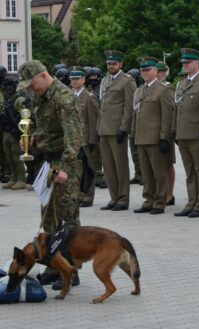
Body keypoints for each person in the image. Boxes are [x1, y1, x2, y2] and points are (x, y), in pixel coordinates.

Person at [18, 60, 83, 288]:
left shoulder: (63, 98)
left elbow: (74, 138)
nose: (30, 89)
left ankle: (71, 269)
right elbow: (45, 126)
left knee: (67, 216)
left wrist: (64, 169)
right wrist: (33, 136)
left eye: (32, 84)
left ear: (44, 75)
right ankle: (56, 266)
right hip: (47, 162)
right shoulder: (41, 97)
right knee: (49, 216)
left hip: (64, 163)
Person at [173, 48, 199, 218]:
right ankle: (192, 202)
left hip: (198, 134)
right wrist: (176, 131)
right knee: (190, 171)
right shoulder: (183, 83)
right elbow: (179, 109)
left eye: (188, 62)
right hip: (184, 134)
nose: (185, 65)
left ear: (197, 63)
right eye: (183, 62)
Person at [131, 56, 174, 215]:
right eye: (142, 70)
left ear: (156, 71)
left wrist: (164, 137)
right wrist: (134, 134)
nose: (144, 73)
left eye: (148, 70)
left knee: (158, 171)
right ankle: (148, 199)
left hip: (156, 138)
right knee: (146, 172)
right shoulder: (140, 90)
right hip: (142, 137)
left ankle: (159, 201)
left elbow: (167, 115)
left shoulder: (163, 89)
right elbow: (137, 114)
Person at [97, 50, 136, 211]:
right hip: (104, 129)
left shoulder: (127, 81)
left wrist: (124, 128)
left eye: (114, 64)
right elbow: (103, 106)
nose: (111, 66)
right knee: (108, 166)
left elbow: (129, 107)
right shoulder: (105, 80)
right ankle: (114, 197)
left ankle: (123, 198)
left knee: (120, 165)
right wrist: (98, 127)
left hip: (117, 129)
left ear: (120, 64)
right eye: (108, 64)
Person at [70, 66, 99, 207]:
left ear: (83, 80)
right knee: (75, 169)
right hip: (72, 140)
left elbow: (94, 121)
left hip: (85, 140)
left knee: (88, 168)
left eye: (77, 79)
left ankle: (88, 196)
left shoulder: (89, 98)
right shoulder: (69, 96)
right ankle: (77, 195)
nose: (74, 82)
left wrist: (92, 140)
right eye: (72, 79)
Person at [156, 62, 177, 206]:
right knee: (158, 165)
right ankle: (161, 192)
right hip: (152, 133)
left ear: (164, 73)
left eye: (160, 72)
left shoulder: (167, 88)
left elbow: (169, 113)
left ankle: (169, 194)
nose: (158, 74)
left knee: (167, 164)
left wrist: (167, 135)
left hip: (165, 133)